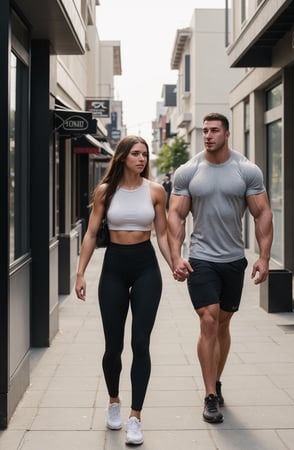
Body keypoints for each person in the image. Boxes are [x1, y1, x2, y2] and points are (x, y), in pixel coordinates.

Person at [167, 113, 273, 424]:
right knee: (209, 319)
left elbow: (263, 213)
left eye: (215, 131)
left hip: (233, 259)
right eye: (206, 131)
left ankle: (216, 378)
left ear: (227, 134)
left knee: (224, 324)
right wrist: (176, 256)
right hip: (200, 257)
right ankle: (210, 394)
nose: (208, 135)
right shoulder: (188, 171)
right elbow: (175, 216)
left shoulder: (246, 170)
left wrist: (264, 257)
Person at [75, 135, 172, 445]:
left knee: (141, 343)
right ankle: (114, 401)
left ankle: (135, 417)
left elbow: (163, 234)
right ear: (122, 157)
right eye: (135, 153)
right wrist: (80, 273)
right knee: (113, 346)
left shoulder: (155, 191)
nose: (141, 159)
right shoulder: (106, 191)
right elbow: (91, 234)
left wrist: (175, 264)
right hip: (114, 267)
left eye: (145, 154)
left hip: (146, 267)